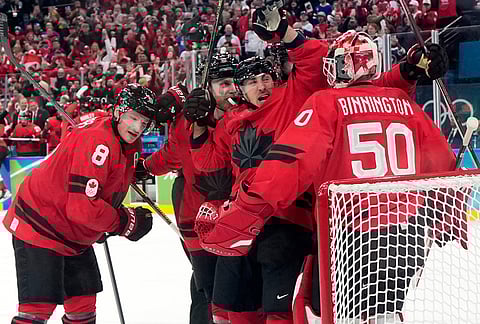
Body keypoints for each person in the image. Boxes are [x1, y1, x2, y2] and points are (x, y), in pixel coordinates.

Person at [186, 3, 448, 322]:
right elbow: (440, 160)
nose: (261, 86)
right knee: (230, 309)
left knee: (303, 310)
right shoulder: (231, 121)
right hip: (401, 232)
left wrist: (289, 36)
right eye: (251, 81)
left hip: (314, 225)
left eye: (266, 77)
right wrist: (198, 127)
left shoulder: (301, 99)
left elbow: (290, 163)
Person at [3, 84, 158, 324]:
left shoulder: (123, 138)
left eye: (144, 121)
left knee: (82, 307)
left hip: (73, 233)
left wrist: (100, 222)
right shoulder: (99, 141)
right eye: (133, 118)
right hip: (40, 224)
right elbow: (82, 208)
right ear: (118, 112)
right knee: (37, 310)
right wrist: (123, 222)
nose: (138, 127)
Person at [136, 52, 239, 324]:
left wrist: (179, 93)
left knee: (227, 288)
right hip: (197, 219)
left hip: (239, 218)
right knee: (209, 289)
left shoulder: (246, 113)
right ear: (208, 86)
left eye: (232, 82)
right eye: (222, 83)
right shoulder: (187, 120)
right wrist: (144, 167)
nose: (229, 89)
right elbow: (171, 155)